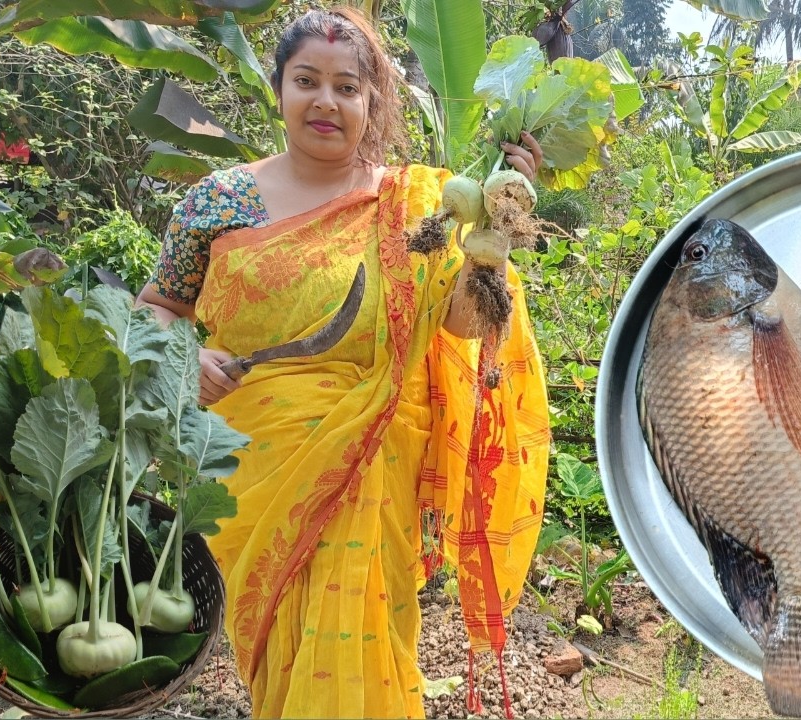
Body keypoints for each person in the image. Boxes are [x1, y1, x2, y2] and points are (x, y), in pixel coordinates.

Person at [134, 7, 550, 718]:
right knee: (278, 663)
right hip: (255, 468)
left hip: (373, 467)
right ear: (279, 89)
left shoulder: (418, 206)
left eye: (347, 87)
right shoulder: (217, 201)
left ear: (371, 102)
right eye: (307, 81)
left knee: (362, 649)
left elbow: (466, 323)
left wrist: (498, 231)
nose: (326, 102)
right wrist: (184, 355)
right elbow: (155, 309)